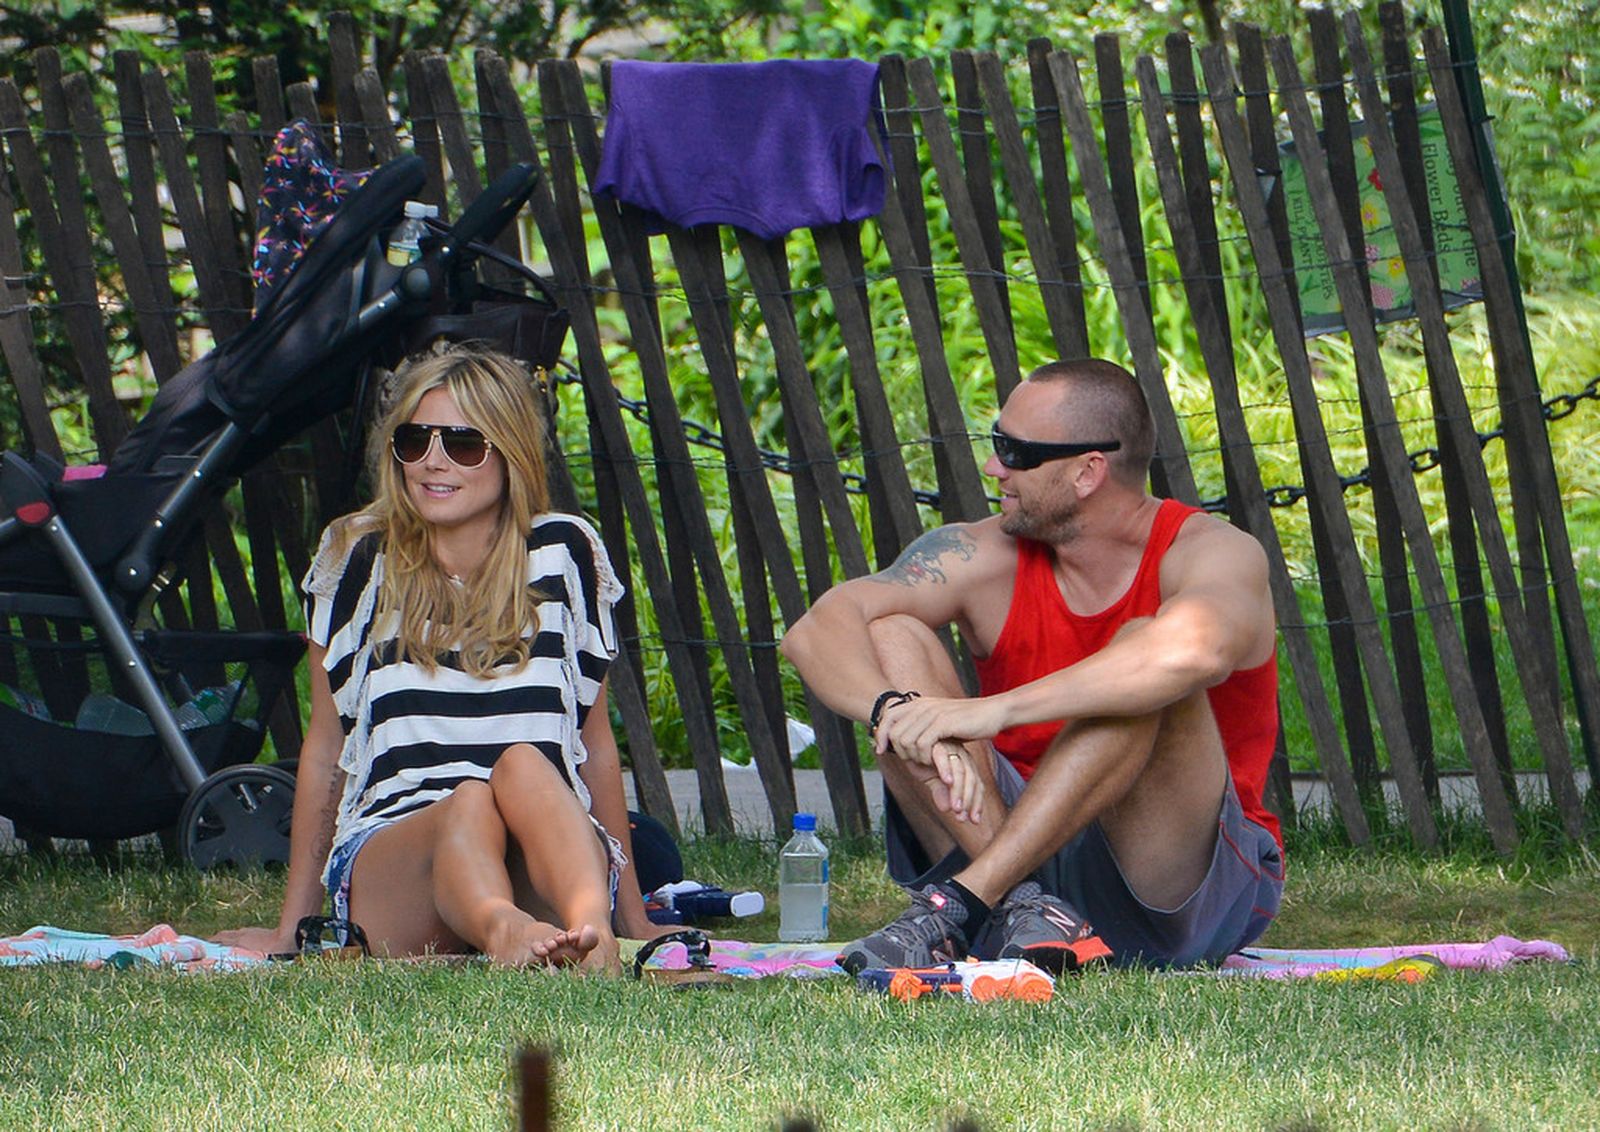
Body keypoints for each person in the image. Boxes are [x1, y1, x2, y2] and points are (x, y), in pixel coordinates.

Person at [781, 358, 1283, 971]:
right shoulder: (982, 550)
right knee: (891, 634)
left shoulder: (1215, 550)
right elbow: (818, 628)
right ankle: (1022, 905)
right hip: (1016, 859)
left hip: (1173, 885)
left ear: (1087, 470)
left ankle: (966, 898)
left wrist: (985, 712)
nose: (995, 467)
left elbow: (1192, 650)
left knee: (1145, 657)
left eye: (1015, 451)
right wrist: (899, 713)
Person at [218, 346, 661, 972]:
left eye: (462, 442)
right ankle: (503, 927)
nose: (432, 461)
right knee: (470, 799)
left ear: (511, 453)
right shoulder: (358, 557)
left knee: (526, 766)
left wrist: (635, 915)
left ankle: (594, 936)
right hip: (402, 860)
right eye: (414, 439)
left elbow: (595, 744)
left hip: (543, 855)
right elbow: (326, 748)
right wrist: (294, 925)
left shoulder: (566, 553)